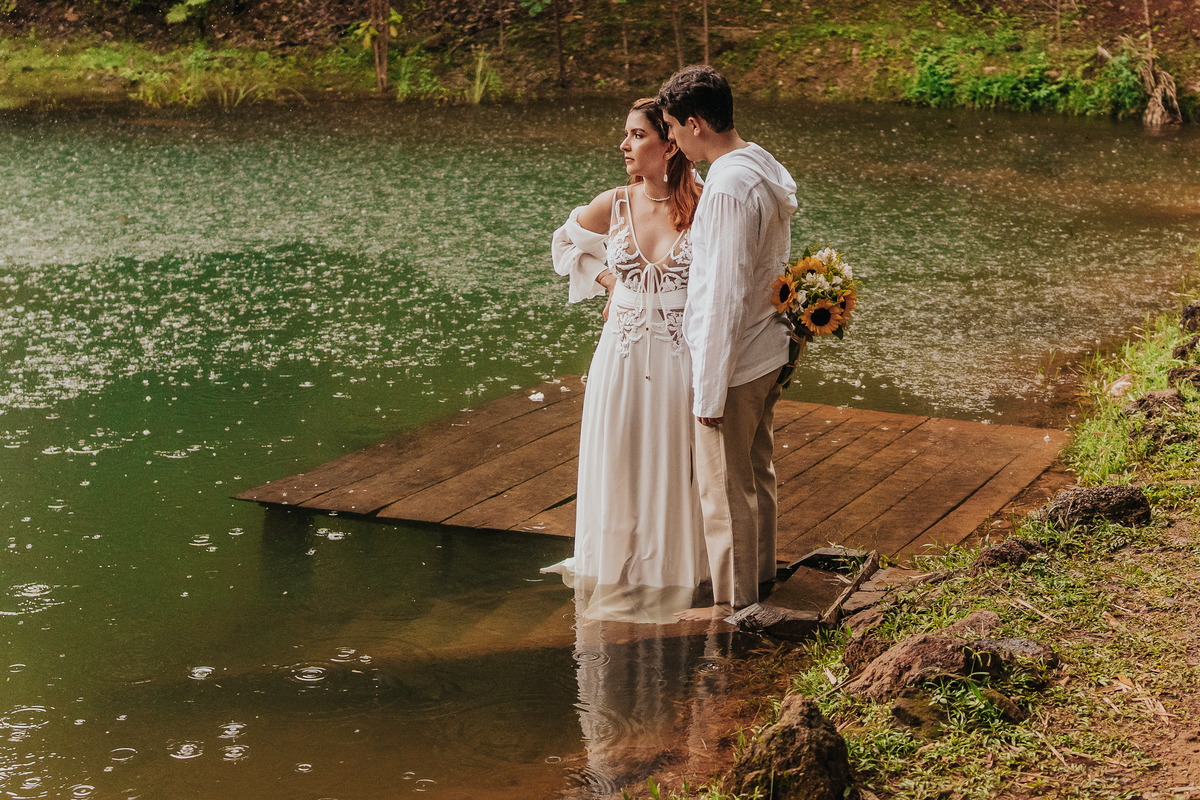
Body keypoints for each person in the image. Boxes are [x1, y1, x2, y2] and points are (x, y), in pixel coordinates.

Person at [540, 98, 710, 624]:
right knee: (619, 458)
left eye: (637, 135)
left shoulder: (708, 204)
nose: (624, 145)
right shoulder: (613, 203)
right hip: (620, 352)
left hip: (681, 355)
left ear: (670, 144)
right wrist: (611, 281)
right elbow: (565, 243)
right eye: (627, 134)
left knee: (675, 462)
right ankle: (619, 567)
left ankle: (674, 572)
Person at [656, 66, 799, 621]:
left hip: (736, 364)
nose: (672, 141)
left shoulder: (728, 187)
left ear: (695, 124)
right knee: (756, 474)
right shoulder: (760, 165)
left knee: (723, 490)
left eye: (672, 128)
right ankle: (760, 582)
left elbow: (723, 293)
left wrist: (709, 390)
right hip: (766, 349)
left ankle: (736, 607)